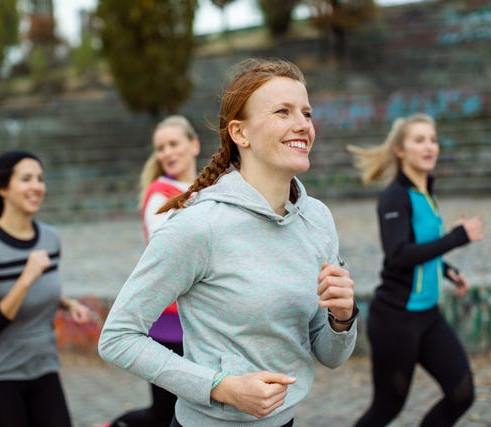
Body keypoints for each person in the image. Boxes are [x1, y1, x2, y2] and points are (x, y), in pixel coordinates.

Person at [98, 58, 359, 427]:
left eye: (306, 112)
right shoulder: (197, 226)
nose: (302, 124)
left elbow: (330, 356)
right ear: (240, 133)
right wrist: (219, 387)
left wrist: (342, 319)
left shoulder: (317, 219)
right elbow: (117, 338)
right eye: (283, 112)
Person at [346, 113, 485, 426]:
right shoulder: (395, 197)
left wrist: (447, 270)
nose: (429, 146)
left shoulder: (427, 193)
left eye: (433, 139)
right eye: (419, 140)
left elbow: (421, 247)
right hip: (396, 319)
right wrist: (457, 237)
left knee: (462, 393)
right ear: (400, 150)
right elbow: (398, 255)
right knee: (387, 408)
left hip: (428, 316)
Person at [0, 150, 92, 427]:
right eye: (26, 179)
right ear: (2, 189)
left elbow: (42, 291)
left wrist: (68, 304)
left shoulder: (50, 238)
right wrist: (26, 276)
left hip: (42, 366)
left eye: (40, 178)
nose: (37, 186)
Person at [107, 115, 200, 427]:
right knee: (165, 414)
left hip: (199, 316)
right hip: (169, 319)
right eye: (161, 147)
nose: (167, 152)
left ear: (194, 145)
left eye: (174, 143)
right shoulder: (159, 193)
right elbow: (168, 253)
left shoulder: (210, 187)